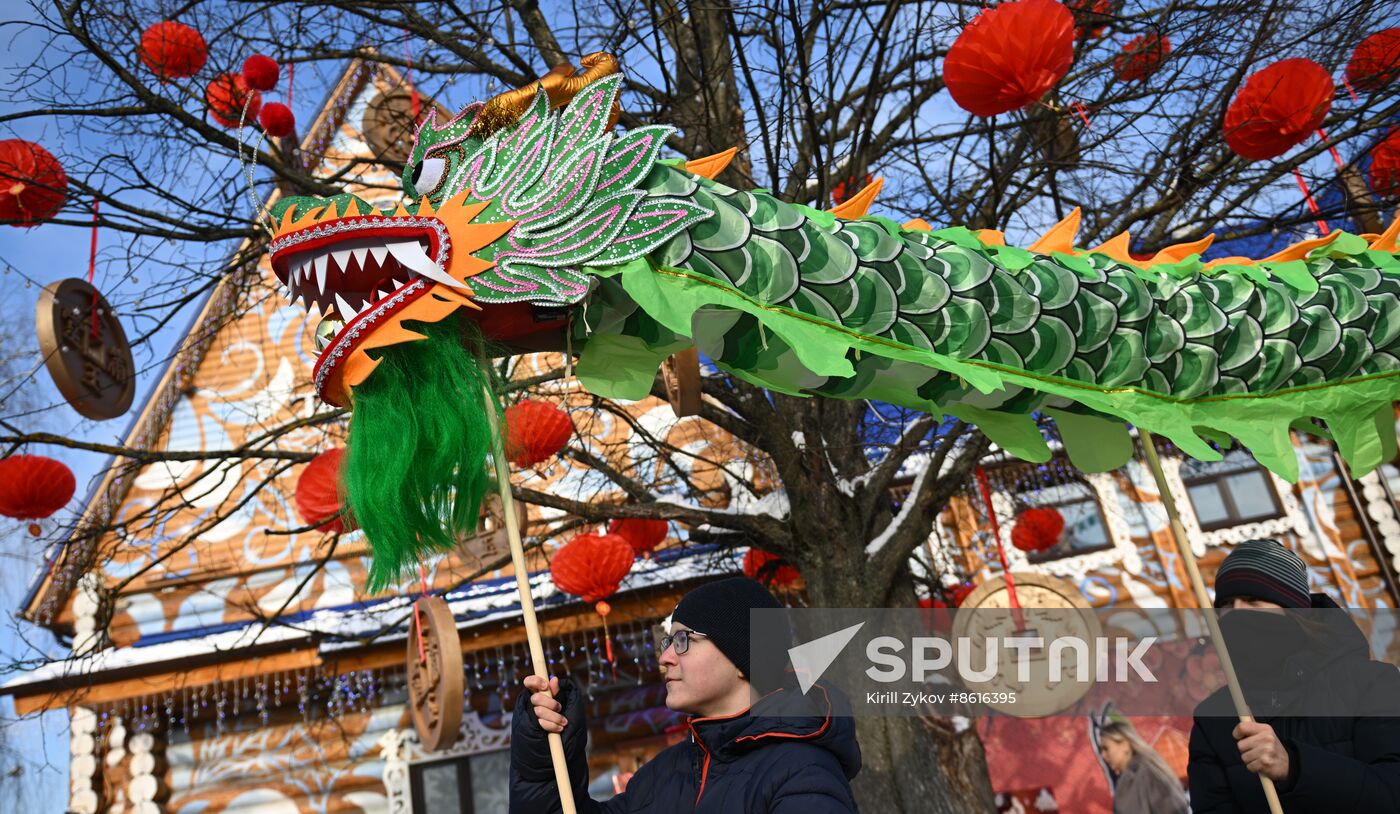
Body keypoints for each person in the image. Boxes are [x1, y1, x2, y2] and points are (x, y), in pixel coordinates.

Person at [509, 576, 861, 813]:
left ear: (743, 658)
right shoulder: (662, 775)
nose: (664, 658)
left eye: (683, 641)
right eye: (667, 642)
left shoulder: (802, 775)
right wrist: (542, 758)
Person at [1187, 538, 1400, 812]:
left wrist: (1295, 767)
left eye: (1253, 600)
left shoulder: (1372, 683)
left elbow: (1392, 793)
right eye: (1226, 604)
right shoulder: (1213, 719)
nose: (1236, 613)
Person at [1098, 720, 1189, 814]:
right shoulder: (1130, 777)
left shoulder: (1148, 773)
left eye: (1106, 748)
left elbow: (1173, 809)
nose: (1103, 755)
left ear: (1125, 745)